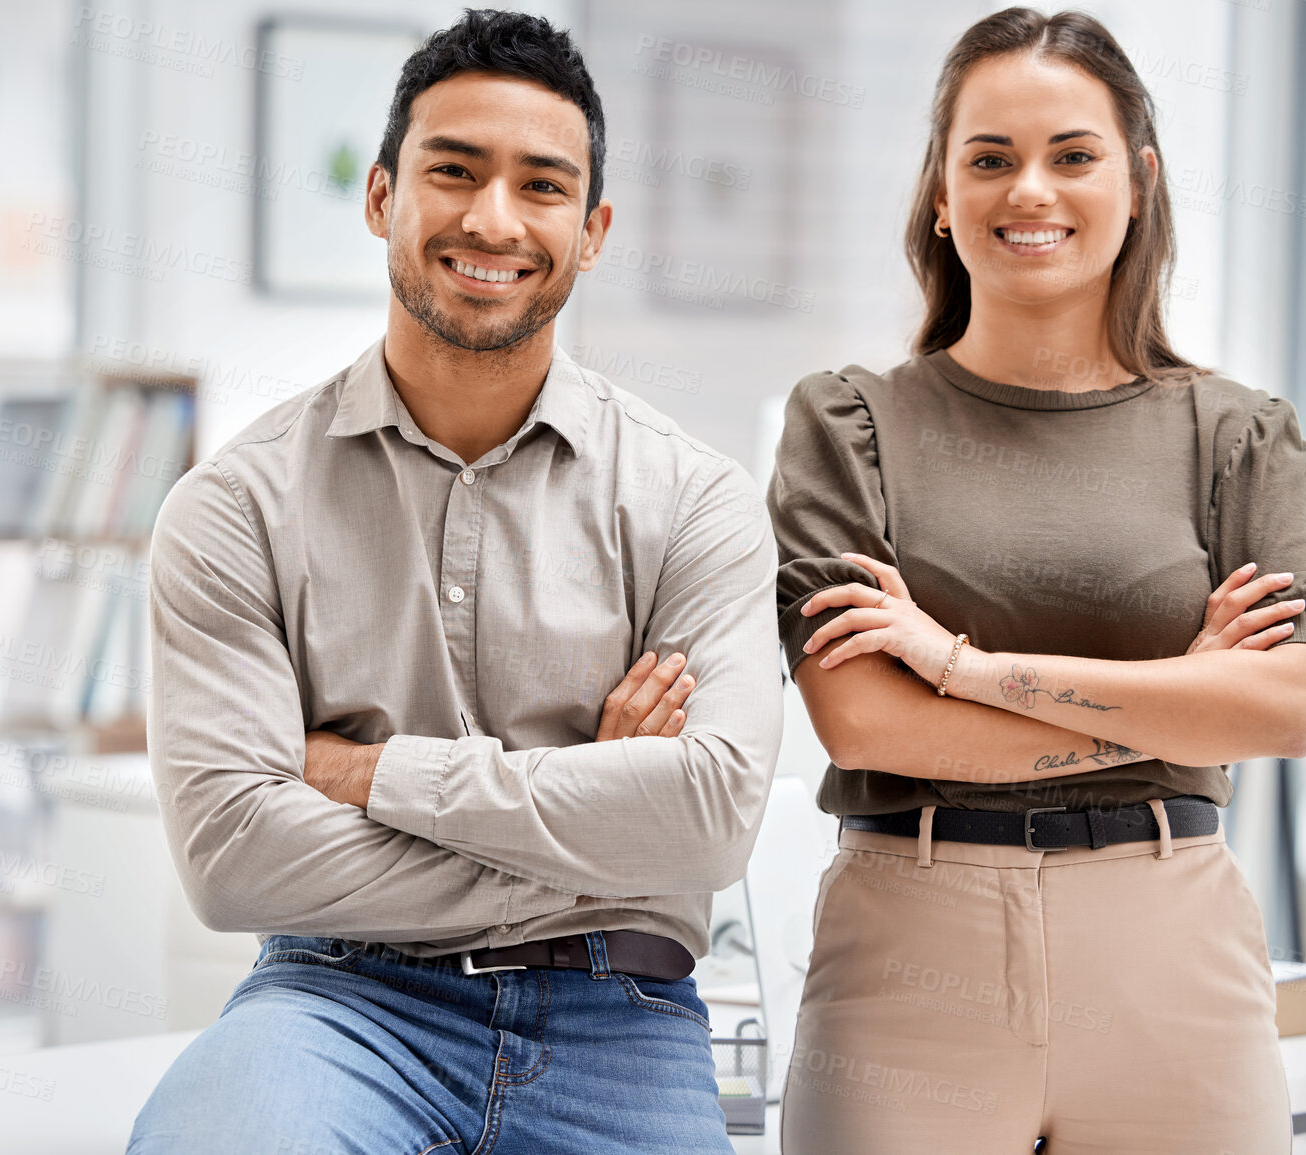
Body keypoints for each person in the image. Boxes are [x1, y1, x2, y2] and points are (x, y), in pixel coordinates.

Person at [127, 10, 783, 1154]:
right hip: (338, 1004)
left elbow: (709, 822)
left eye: (541, 185)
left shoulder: (696, 501)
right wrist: (590, 822)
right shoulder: (233, 509)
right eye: (454, 171)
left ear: (591, 232)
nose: (493, 218)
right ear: (383, 196)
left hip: (618, 1018)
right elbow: (237, 855)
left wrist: (371, 773)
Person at [765, 8, 1306, 1153]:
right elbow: (866, 724)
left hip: (1170, 946)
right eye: (989, 159)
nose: (1031, 190)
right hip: (912, 950)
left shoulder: (1238, 436)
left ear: (1139, 181)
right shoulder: (849, 423)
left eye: (1072, 155)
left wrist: (962, 669)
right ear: (942, 192)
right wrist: (1176, 705)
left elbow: (1282, 708)